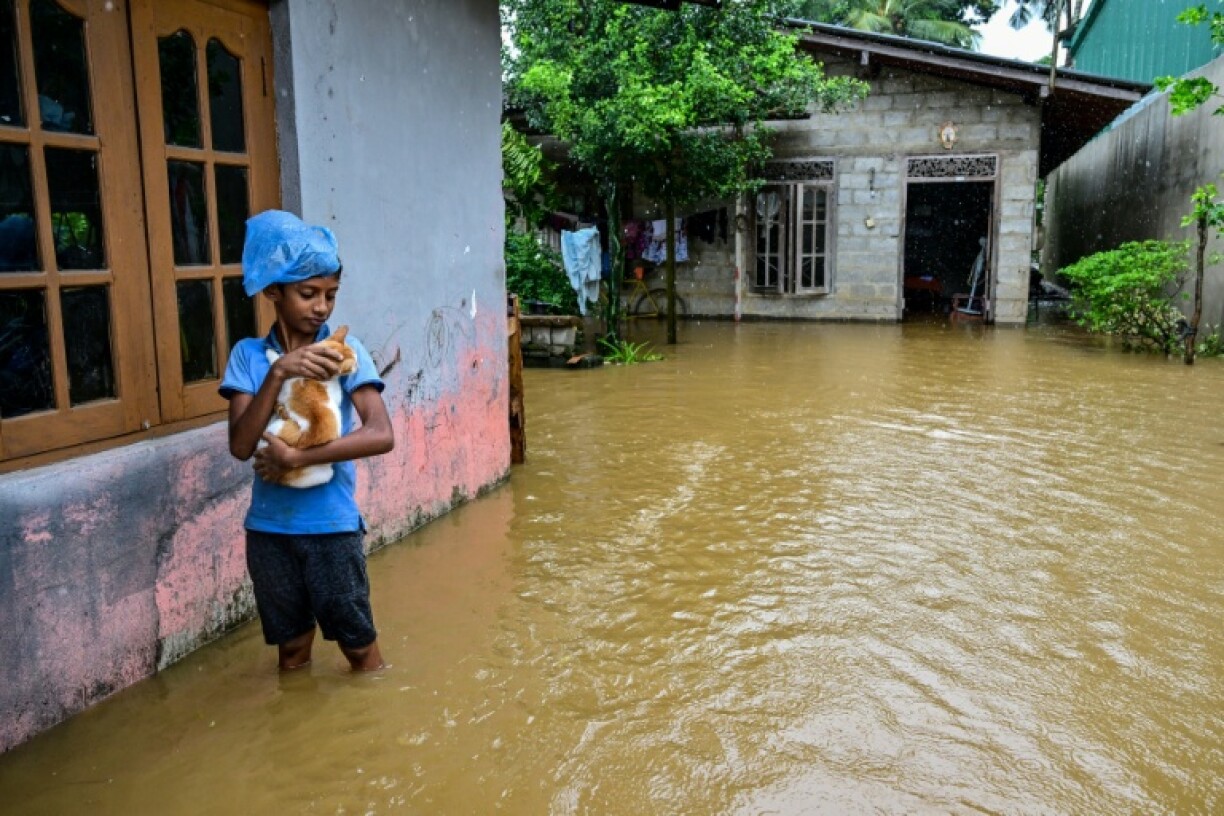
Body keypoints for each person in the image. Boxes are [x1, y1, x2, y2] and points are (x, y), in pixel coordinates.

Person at [220, 210, 395, 671]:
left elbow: (381, 434)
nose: (321, 306)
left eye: (330, 295)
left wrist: (298, 455)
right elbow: (241, 446)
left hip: (332, 529)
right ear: (273, 292)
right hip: (269, 532)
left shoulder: (345, 351)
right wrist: (280, 372)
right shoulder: (249, 357)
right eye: (308, 293)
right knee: (293, 651)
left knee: (359, 650)